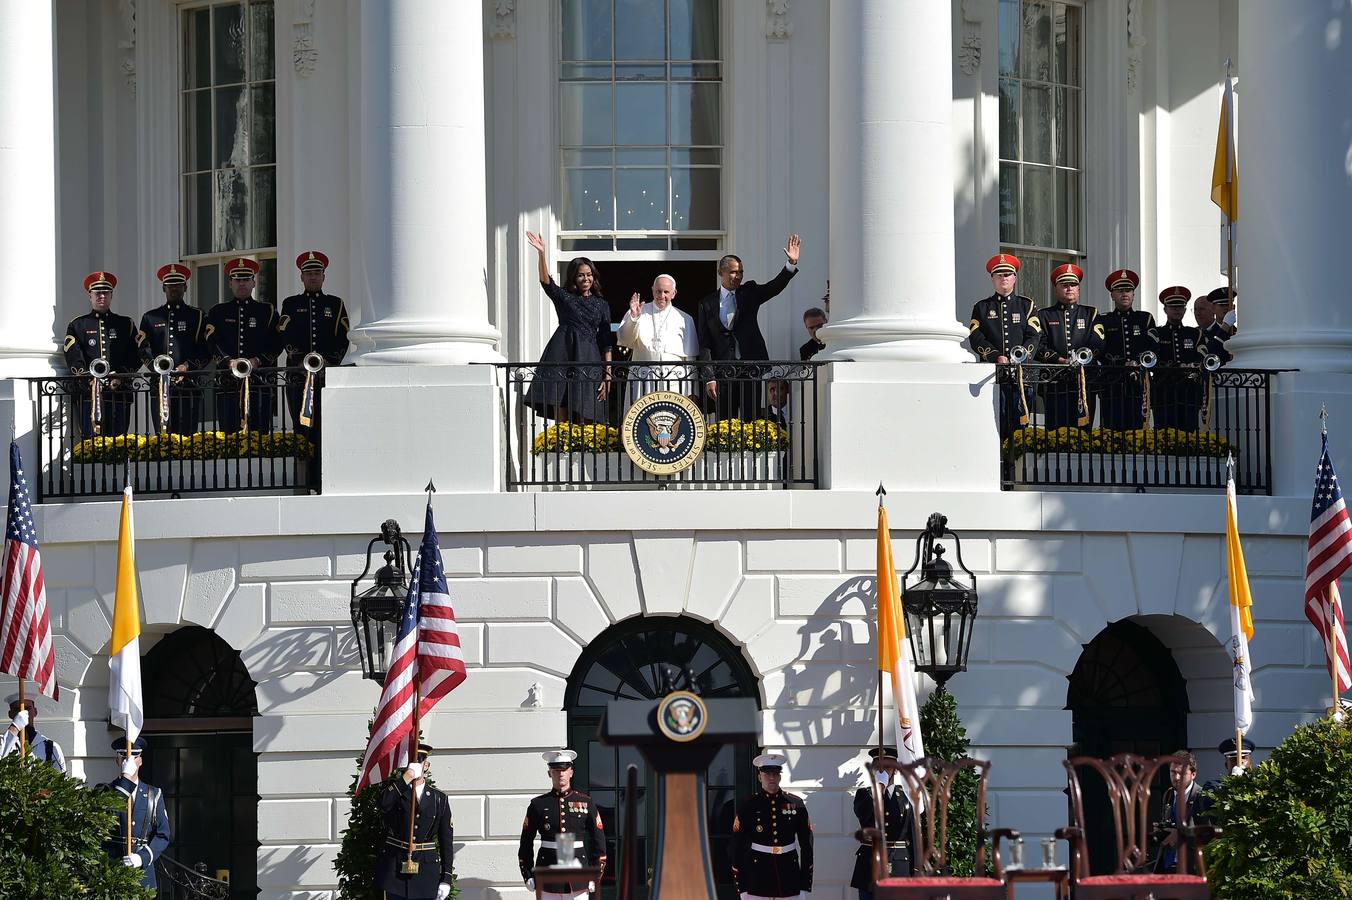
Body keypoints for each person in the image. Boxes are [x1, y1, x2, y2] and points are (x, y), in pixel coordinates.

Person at [698, 235, 802, 421]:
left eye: (740, 272)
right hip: (723, 370)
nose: (737, 276)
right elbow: (705, 343)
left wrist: (790, 264)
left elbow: (773, 287)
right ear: (721, 272)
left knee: (751, 418)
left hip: (750, 367)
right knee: (725, 421)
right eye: (733, 272)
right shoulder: (707, 303)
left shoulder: (750, 292)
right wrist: (709, 377)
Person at [523, 233, 614, 425]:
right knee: (561, 403)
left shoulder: (602, 304)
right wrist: (541, 254)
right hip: (562, 353)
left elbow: (606, 341)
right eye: (581, 275)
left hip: (588, 356)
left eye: (589, 274)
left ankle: (584, 444)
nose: (585, 278)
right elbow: (547, 283)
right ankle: (561, 442)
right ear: (574, 277)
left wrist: (608, 374)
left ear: (594, 277)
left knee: (587, 408)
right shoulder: (565, 297)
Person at [967, 253, 1042, 437]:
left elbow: (1034, 336)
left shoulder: (1026, 305)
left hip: (1022, 375)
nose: (1004, 278)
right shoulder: (981, 307)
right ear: (992, 279)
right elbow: (976, 337)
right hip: (993, 375)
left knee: (1020, 427)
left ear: (1014, 278)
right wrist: (995, 356)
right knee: (995, 426)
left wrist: (1021, 356)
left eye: (1007, 274)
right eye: (999, 275)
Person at [279, 250, 350, 439]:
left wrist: (329, 361)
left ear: (323, 277)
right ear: (301, 277)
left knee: (327, 427)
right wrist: (300, 360)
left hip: (327, 375)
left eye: (317, 273)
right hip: (298, 375)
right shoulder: (291, 303)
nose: (313, 277)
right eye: (309, 274)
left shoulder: (335, 304)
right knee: (301, 428)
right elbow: (285, 333)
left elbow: (343, 336)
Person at [518, 749, 606, 900]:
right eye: (556, 770)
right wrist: (528, 873)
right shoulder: (538, 804)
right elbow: (526, 842)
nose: (560, 774)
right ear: (549, 773)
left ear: (571, 772)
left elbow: (598, 841)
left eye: (564, 770)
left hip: (579, 876)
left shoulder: (585, 802)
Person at [206, 257, 280, 432]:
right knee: (229, 434)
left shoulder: (267, 311)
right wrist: (227, 361)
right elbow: (211, 341)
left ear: (253, 283)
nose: (242, 284)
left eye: (246, 279)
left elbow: (277, 341)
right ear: (230, 283)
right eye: (237, 280)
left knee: (259, 435)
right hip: (228, 383)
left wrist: (258, 360)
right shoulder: (218, 312)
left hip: (259, 383)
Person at [64, 271, 140, 438]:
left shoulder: (125, 324)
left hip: (119, 392)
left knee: (118, 441)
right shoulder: (78, 325)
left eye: (106, 292)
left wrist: (120, 376)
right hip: (89, 393)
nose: (102, 296)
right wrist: (89, 379)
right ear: (89, 295)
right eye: (97, 293)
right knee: (91, 442)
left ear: (111, 295)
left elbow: (135, 354)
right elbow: (73, 356)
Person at [138, 263, 210, 435]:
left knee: (187, 437)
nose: (174, 288)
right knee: (163, 436)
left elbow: (206, 349)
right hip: (159, 386)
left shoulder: (197, 316)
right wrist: (157, 368)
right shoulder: (150, 317)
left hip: (188, 386)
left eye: (178, 284)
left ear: (185, 287)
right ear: (164, 288)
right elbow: (143, 348)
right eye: (170, 285)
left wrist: (188, 366)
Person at [376, 743, 455, 900]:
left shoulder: (439, 799)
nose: (415, 766)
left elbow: (446, 841)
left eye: (419, 762)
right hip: (395, 872)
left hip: (426, 873)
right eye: (410, 762)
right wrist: (407, 777)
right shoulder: (396, 790)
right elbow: (383, 804)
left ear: (426, 765)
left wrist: (446, 878)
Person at [732, 752, 813, 900]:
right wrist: (742, 886)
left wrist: (804, 884)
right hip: (757, 876)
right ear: (759, 777)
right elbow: (738, 846)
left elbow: (806, 844)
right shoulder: (749, 804)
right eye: (767, 774)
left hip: (789, 875)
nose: (771, 778)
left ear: (780, 777)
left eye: (775, 774)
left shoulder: (796, 803)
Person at [1033, 263, 1104, 429]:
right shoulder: (1044, 315)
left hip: (1084, 382)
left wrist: (1081, 359)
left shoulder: (1090, 313)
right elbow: (1038, 346)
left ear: (1078, 289)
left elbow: (1098, 342)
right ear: (1056, 289)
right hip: (1054, 382)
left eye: (1073, 285)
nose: (1069, 288)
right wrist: (1060, 360)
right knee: (1056, 433)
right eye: (1065, 285)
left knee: (1083, 434)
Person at [102, 737, 171, 890]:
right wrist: (126, 779)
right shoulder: (105, 791)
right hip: (112, 874)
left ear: (140, 761)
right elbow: (108, 814)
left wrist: (142, 858)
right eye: (124, 757)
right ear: (117, 760)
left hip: (143, 877)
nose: (129, 761)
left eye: (134, 757)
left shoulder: (153, 794)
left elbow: (163, 835)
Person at [617, 274, 699, 403]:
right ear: (652, 291)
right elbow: (625, 339)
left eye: (666, 292)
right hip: (643, 379)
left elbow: (690, 361)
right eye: (658, 291)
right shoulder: (638, 311)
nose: (662, 295)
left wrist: (693, 392)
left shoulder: (685, 319)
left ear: (674, 293)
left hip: (674, 382)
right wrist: (634, 318)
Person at [850, 746, 915, 899]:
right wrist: (879, 787)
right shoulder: (864, 794)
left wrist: (916, 870)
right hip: (870, 865)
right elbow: (864, 815)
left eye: (887, 767)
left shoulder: (906, 796)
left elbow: (912, 835)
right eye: (878, 767)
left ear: (896, 770)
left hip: (899, 866)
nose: (882, 771)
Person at [1096, 268, 1155, 430]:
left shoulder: (1144, 318)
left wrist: (1137, 361)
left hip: (1138, 383)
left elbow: (1152, 346)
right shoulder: (1103, 319)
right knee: (1111, 428)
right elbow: (1098, 348)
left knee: (1138, 428)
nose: (1124, 294)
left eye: (1128, 290)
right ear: (1112, 295)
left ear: (1133, 294)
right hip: (1112, 382)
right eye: (1120, 290)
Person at [1146, 287, 1205, 432]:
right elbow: (1151, 358)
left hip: (1189, 391)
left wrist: (1191, 366)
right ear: (1165, 309)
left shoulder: (1195, 333)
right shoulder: (1156, 333)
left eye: (1180, 306)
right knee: (1164, 433)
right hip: (1164, 391)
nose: (1176, 310)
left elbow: (1202, 356)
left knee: (1190, 432)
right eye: (1172, 306)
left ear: (1184, 310)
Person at [1153, 752, 1206, 873]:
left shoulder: (1202, 797)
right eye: (1173, 772)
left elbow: (1209, 836)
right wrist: (1161, 832)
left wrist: (1181, 836)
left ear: (1193, 774)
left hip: (1192, 868)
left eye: (1181, 773)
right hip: (1167, 865)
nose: (1176, 778)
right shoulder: (1169, 795)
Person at [0, 696, 67, 774]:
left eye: (27, 708)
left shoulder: (50, 747)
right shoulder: (3, 743)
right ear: (10, 714)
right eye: (17, 709)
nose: (22, 713)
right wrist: (15, 727)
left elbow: (60, 778)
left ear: (35, 712)